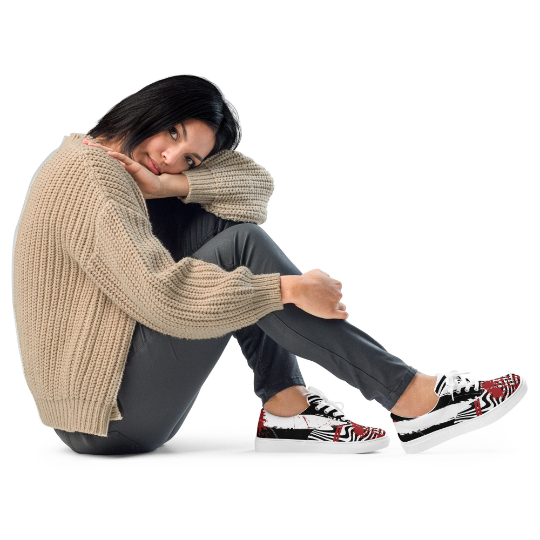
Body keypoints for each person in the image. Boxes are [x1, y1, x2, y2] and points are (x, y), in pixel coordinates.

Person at [13, 75, 527, 456]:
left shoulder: (121, 166)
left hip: (116, 396)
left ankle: (287, 406)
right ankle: (411, 397)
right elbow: (162, 299)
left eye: (190, 158)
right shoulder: (92, 180)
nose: (170, 157)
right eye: (170, 134)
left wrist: (176, 186)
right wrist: (285, 289)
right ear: (144, 108)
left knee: (236, 235)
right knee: (243, 250)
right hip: (107, 417)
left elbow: (255, 188)